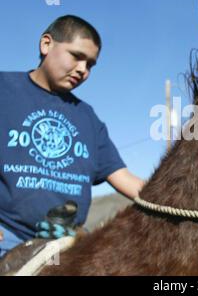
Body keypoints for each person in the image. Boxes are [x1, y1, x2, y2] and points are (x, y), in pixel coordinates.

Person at [0, 15, 145, 258]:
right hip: (8, 239)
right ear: (46, 44)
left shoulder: (87, 118)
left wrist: (180, 200)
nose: (82, 70)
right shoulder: (4, 90)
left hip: (68, 243)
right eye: (77, 56)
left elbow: (125, 179)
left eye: (90, 65)